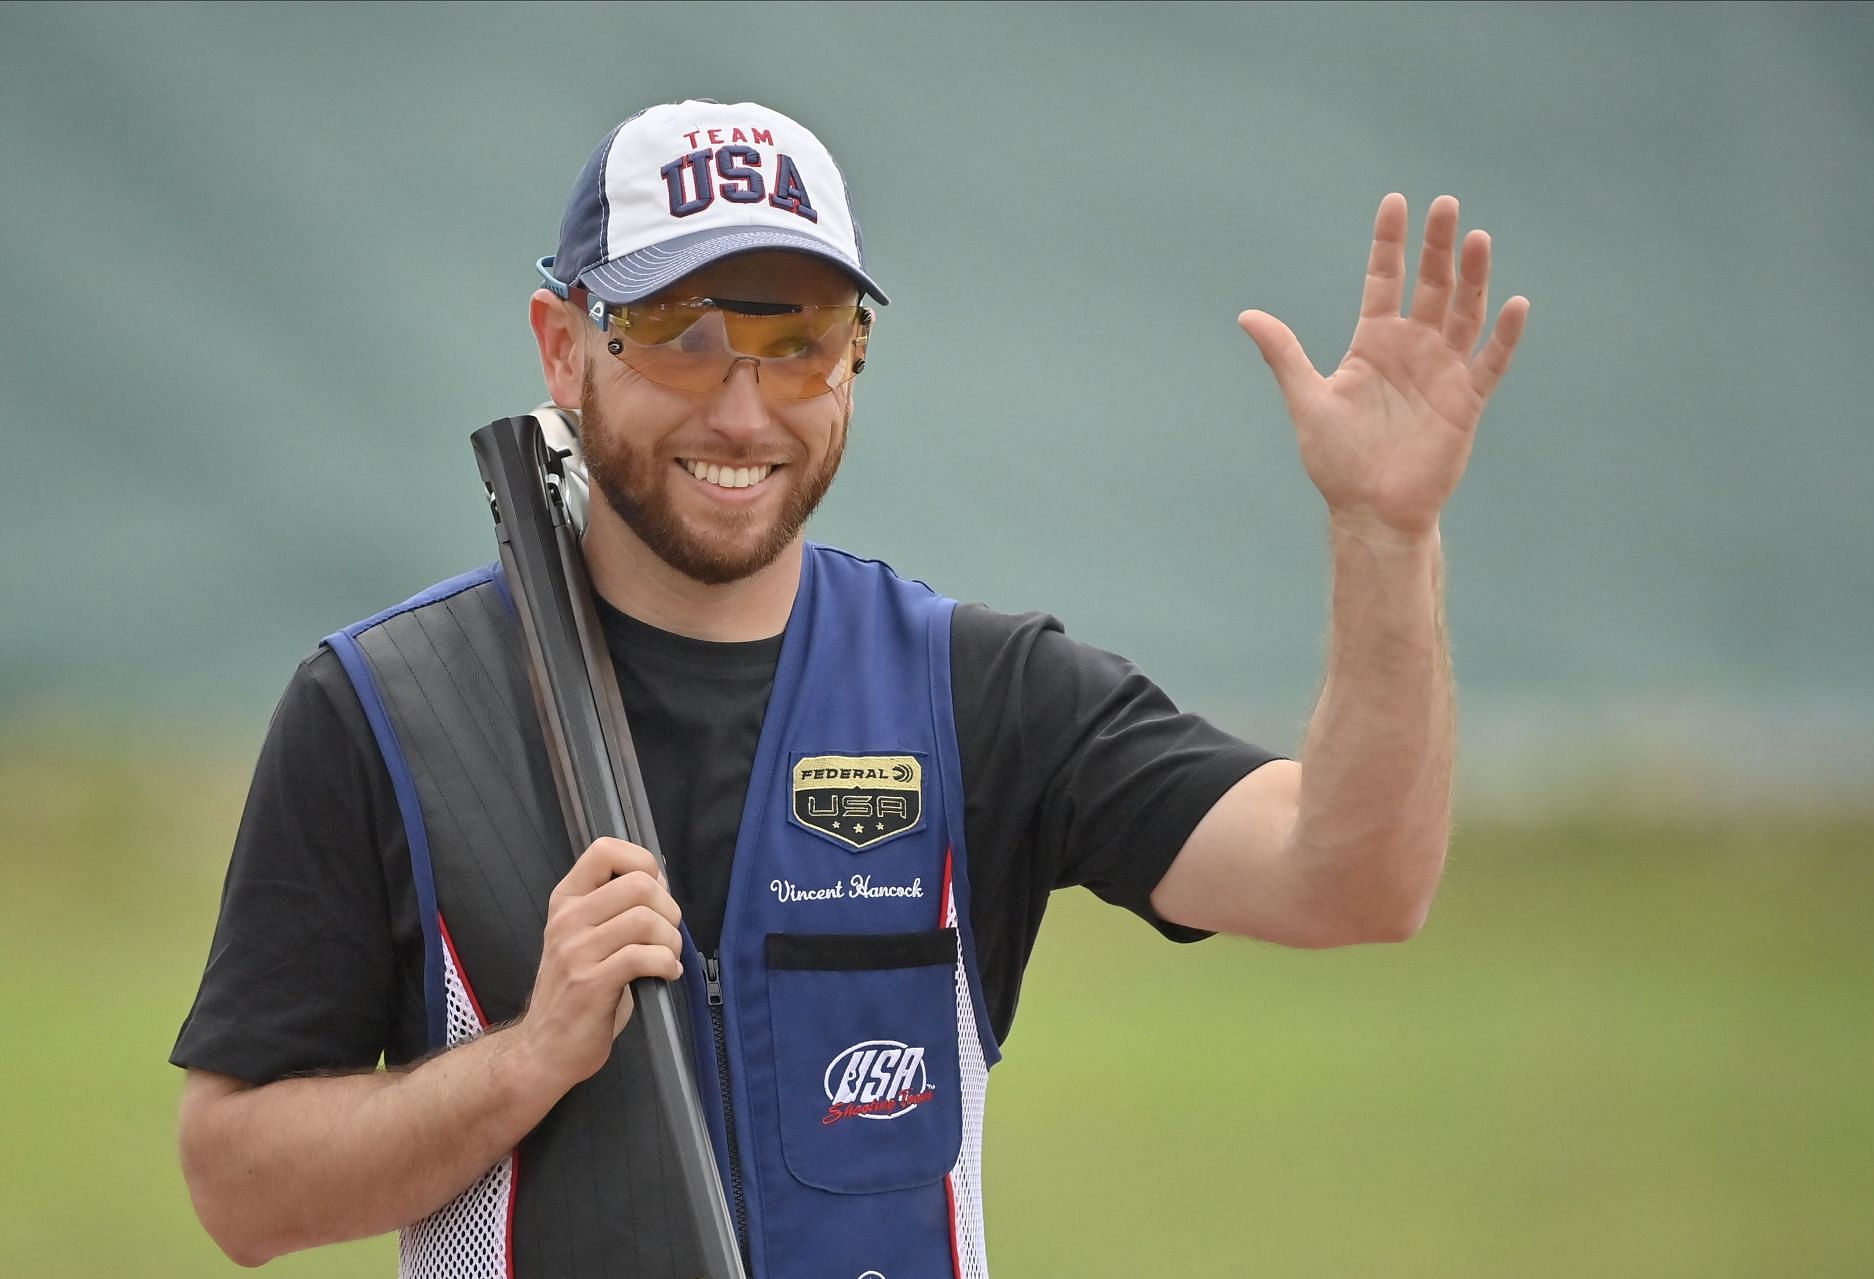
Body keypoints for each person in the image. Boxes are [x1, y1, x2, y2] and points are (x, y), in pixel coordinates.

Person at [171, 99, 1527, 1279]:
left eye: (798, 336)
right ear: (563, 346)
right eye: (678, 332)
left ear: (856, 357)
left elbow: (1352, 880)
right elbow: (238, 1186)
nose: (744, 408)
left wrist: (1387, 534)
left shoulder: (980, 692)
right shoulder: (385, 710)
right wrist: (529, 1060)